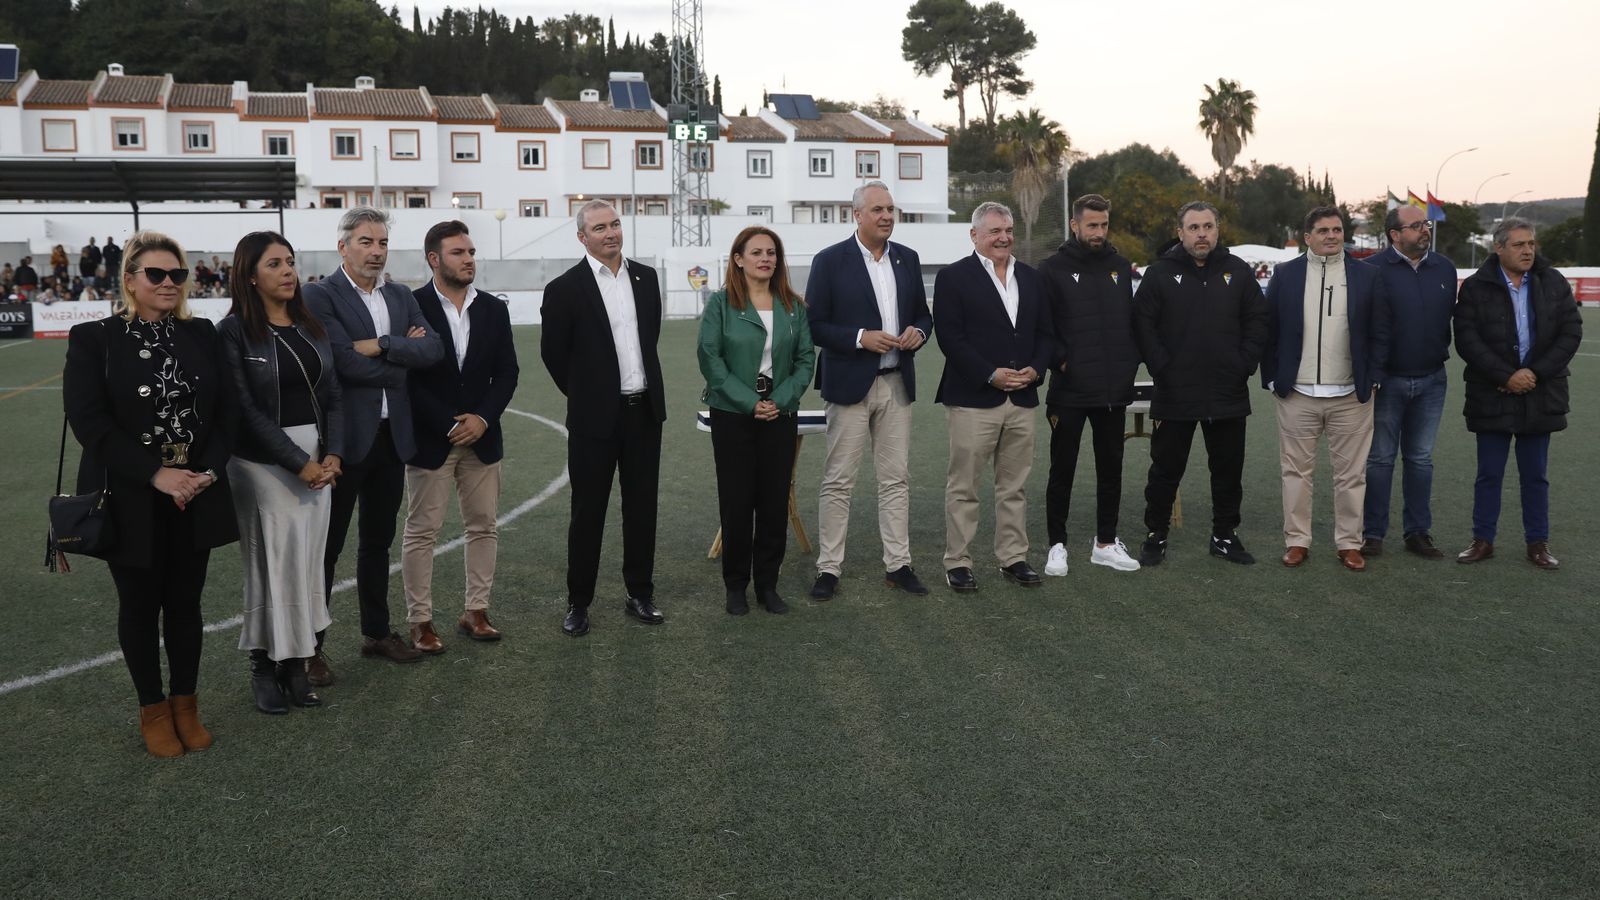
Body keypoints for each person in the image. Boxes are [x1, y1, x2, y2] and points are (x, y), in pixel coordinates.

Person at [62, 230, 239, 757]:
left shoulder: (202, 333)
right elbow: (89, 421)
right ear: (131, 280)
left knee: (185, 604)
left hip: (197, 489)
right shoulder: (94, 338)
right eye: (156, 274)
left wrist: (205, 471)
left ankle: (186, 704)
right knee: (140, 606)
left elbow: (227, 413)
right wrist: (156, 474)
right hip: (131, 493)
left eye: (177, 275)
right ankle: (153, 710)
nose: (169, 283)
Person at [303, 207, 443, 681]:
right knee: (327, 546)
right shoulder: (320, 295)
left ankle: (376, 633)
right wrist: (403, 353)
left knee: (376, 543)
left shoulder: (401, 295)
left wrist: (382, 344)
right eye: (366, 242)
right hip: (344, 441)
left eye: (382, 243)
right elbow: (341, 363)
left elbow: (434, 350)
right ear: (343, 247)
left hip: (391, 438)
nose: (376, 252)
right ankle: (310, 646)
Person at [218, 231, 344, 714]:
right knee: (270, 566)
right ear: (250, 275)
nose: (288, 271)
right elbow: (244, 409)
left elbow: (332, 394)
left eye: (290, 262)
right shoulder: (232, 332)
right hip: (261, 464)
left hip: (317, 463)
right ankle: (263, 666)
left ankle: (296, 664)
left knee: (307, 564)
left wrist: (333, 456)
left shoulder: (309, 325)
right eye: (274, 264)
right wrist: (301, 462)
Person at [541, 200, 668, 637]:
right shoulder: (564, 289)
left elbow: (649, 338)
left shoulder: (646, 278)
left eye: (615, 224)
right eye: (599, 228)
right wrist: (587, 396)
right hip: (594, 420)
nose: (611, 233)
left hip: (644, 413)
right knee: (588, 511)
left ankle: (640, 593)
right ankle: (579, 602)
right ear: (582, 237)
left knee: (642, 508)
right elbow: (553, 354)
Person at [805, 181, 934, 599]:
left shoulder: (908, 259)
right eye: (878, 209)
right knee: (839, 480)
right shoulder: (829, 261)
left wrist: (919, 332)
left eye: (891, 209)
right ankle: (829, 569)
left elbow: (923, 316)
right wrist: (860, 337)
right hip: (849, 386)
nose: (887, 216)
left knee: (896, 480)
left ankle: (898, 565)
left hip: (896, 383)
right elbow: (815, 325)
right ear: (856, 214)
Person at [403, 220, 519, 651]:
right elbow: (406, 378)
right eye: (458, 253)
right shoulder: (409, 306)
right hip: (431, 439)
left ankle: (477, 610)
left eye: (471, 252)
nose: (469, 259)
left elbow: (507, 372)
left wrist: (482, 419)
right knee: (422, 531)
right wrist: (447, 423)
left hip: (482, 438)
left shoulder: (493, 308)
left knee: (483, 526)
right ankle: (420, 621)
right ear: (434, 259)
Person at [1133, 201, 1268, 566]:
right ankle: (1155, 534)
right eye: (1193, 228)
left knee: (1227, 470)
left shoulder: (1237, 271)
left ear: (1218, 230)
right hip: (1175, 391)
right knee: (1165, 469)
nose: (1202, 234)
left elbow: (1257, 320)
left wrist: (1243, 365)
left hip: (1227, 390)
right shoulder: (1159, 273)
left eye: (1208, 226)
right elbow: (1143, 326)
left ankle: (1224, 535)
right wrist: (1163, 368)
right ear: (1180, 233)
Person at [933, 201, 1052, 592]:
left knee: (1013, 486)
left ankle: (1013, 557)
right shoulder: (953, 278)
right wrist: (990, 374)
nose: (1004, 238)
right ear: (974, 235)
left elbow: (1046, 334)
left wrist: (1036, 368)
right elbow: (951, 338)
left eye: (1008, 231)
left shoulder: (1032, 278)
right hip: (972, 399)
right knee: (965, 486)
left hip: (1022, 398)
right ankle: (958, 561)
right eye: (994, 232)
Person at [1262, 207, 1390, 572]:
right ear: (1307, 237)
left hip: (1350, 395)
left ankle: (1349, 544)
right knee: (1295, 473)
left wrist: (1374, 378)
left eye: (1337, 230)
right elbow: (1268, 330)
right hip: (1297, 394)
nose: (1332, 236)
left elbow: (1381, 331)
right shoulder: (1285, 274)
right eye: (1323, 231)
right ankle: (1296, 541)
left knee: (1351, 475)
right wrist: (1273, 378)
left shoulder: (1368, 275)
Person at [698, 226, 816, 615]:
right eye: (757, 252)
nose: (766, 259)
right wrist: (751, 402)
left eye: (772, 253)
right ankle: (736, 587)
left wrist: (780, 400)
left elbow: (804, 361)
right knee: (737, 502)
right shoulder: (720, 304)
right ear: (738, 259)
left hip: (780, 416)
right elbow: (710, 360)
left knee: (772, 504)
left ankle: (768, 585)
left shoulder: (792, 306)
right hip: (733, 415)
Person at [1453, 217, 1582, 569]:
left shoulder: (1552, 281)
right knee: (1489, 473)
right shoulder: (1477, 287)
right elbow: (1466, 338)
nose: (1527, 250)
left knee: (1535, 475)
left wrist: (1533, 374)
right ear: (1499, 248)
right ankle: (1483, 540)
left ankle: (1537, 544)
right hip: (1492, 392)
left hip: (1540, 393)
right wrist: (1505, 375)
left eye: (1531, 244)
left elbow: (1571, 332)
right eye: (1519, 244)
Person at [1038, 193, 1143, 576]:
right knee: (1062, 469)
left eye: (1103, 225)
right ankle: (1057, 545)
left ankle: (1105, 543)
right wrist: (1064, 362)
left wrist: (1128, 364)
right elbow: (1043, 328)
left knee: (1111, 467)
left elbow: (1130, 323)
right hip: (1069, 391)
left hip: (1112, 389)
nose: (1098, 232)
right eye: (1092, 225)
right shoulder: (1051, 269)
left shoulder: (1119, 266)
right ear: (1075, 225)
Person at [1361, 205, 1457, 559]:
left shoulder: (1444, 267)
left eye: (1425, 224)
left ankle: (1418, 532)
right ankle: (1372, 533)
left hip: (1432, 380)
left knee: (1420, 459)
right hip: (1387, 382)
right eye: (1416, 225)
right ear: (1394, 235)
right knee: (1380, 459)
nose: (1424, 230)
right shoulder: (1370, 269)